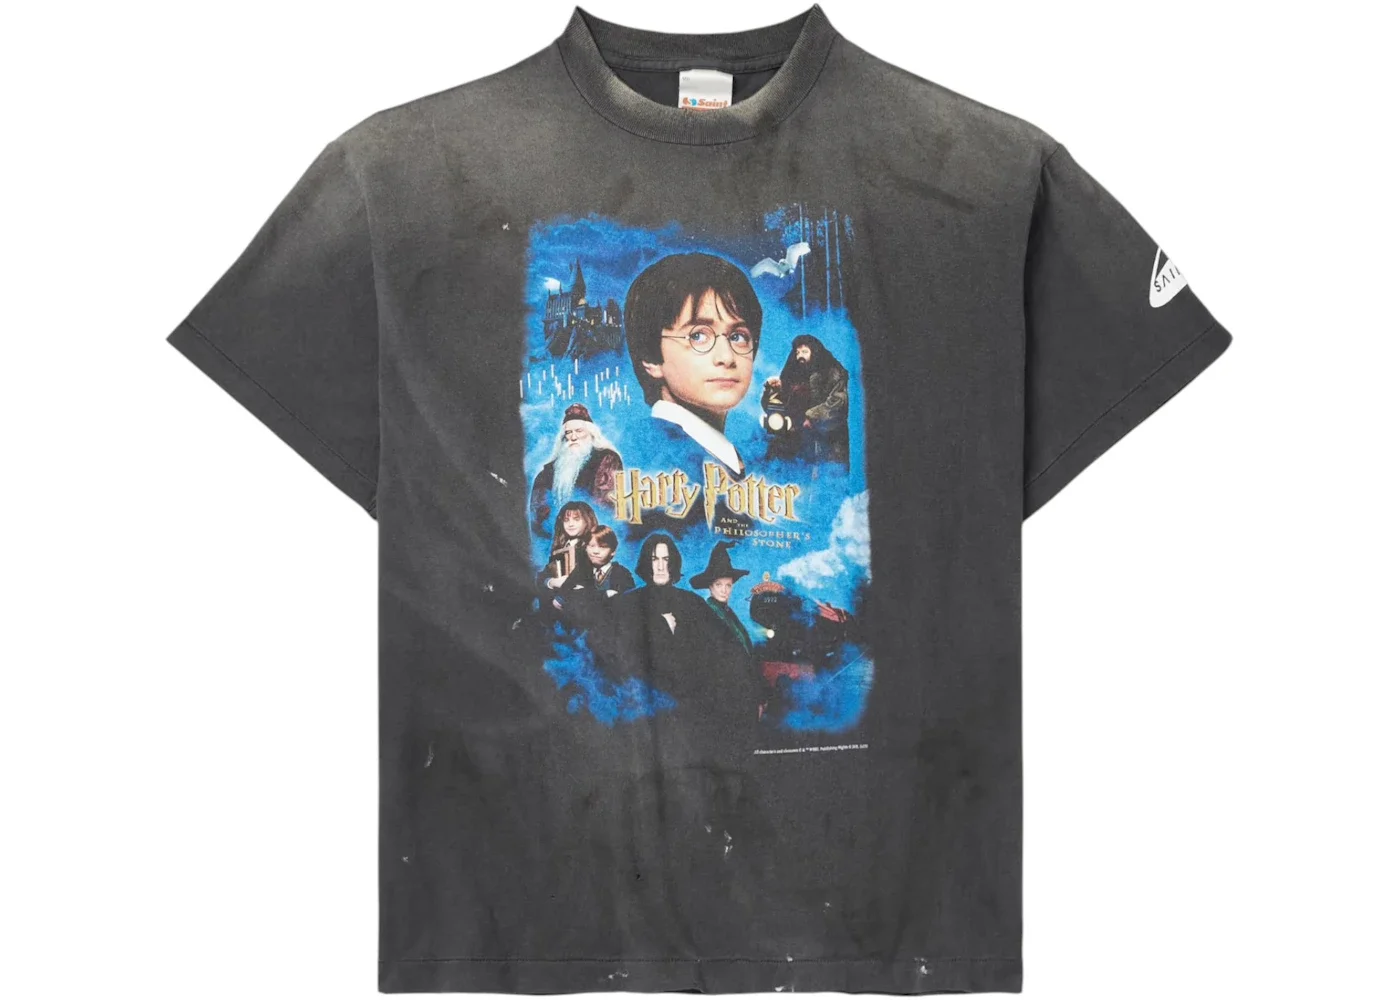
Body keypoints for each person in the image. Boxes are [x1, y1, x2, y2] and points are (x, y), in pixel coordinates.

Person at [589, 532, 757, 767]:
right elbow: (606, 654)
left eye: (665, 559)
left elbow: (727, 649)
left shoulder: (692, 603)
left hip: (690, 716)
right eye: (654, 559)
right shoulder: (626, 603)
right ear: (646, 563)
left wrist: (753, 692)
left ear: (673, 563)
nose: (660, 566)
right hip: (643, 714)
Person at [623, 253, 763, 483]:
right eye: (698, 336)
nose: (727, 357)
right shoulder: (663, 463)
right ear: (650, 358)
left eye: (738, 336)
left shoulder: (716, 454)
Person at [530, 403, 623, 535]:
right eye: (568, 433)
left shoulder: (606, 459)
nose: (573, 437)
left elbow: (605, 506)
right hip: (556, 536)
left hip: (592, 536)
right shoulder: (549, 471)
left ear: (591, 433)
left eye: (579, 431)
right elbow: (537, 512)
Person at [763, 333, 849, 467]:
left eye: (804, 351)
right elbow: (775, 408)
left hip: (825, 438)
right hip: (795, 437)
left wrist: (812, 417)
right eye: (797, 352)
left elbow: (838, 403)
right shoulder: (793, 374)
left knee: (826, 472)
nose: (800, 356)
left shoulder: (832, 372)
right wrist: (772, 390)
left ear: (814, 352)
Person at [551, 525, 636, 630]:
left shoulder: (622, 574)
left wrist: (582, 594)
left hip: (611, 631)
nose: (595, 551)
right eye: (591, 546)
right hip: (582, 630)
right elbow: (561, 599)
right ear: (586, 547)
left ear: (613, 551)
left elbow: (624, 608)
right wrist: (604, 594)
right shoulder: (582, 570)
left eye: (602, 547)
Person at [689, 542, 755, 655]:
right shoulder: (706, 613)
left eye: (728, 585)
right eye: (718, 584)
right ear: (710, 586)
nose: (724, 590)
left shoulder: (728, 613)